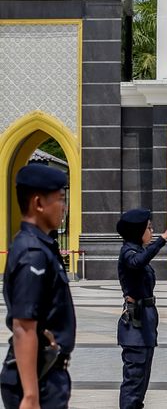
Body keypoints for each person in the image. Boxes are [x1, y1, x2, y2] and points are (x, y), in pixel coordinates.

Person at [1, 164, 75, 409]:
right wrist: (30, 396)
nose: (64, 207)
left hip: (48, 372)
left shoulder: (42, 246)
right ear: (38, 203)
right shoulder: (32, 254)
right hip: (38, 379)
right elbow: (24, 326)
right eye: (60, 199)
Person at [117, 208, 167, 409]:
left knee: (142, 379)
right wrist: (163, 239)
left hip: (145, 323)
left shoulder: (138, 250)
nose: (152, 231)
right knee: (134, 379)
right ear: (138, 231)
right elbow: (137, 262)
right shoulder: (128, 252)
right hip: (135, 324)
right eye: (149, 228)